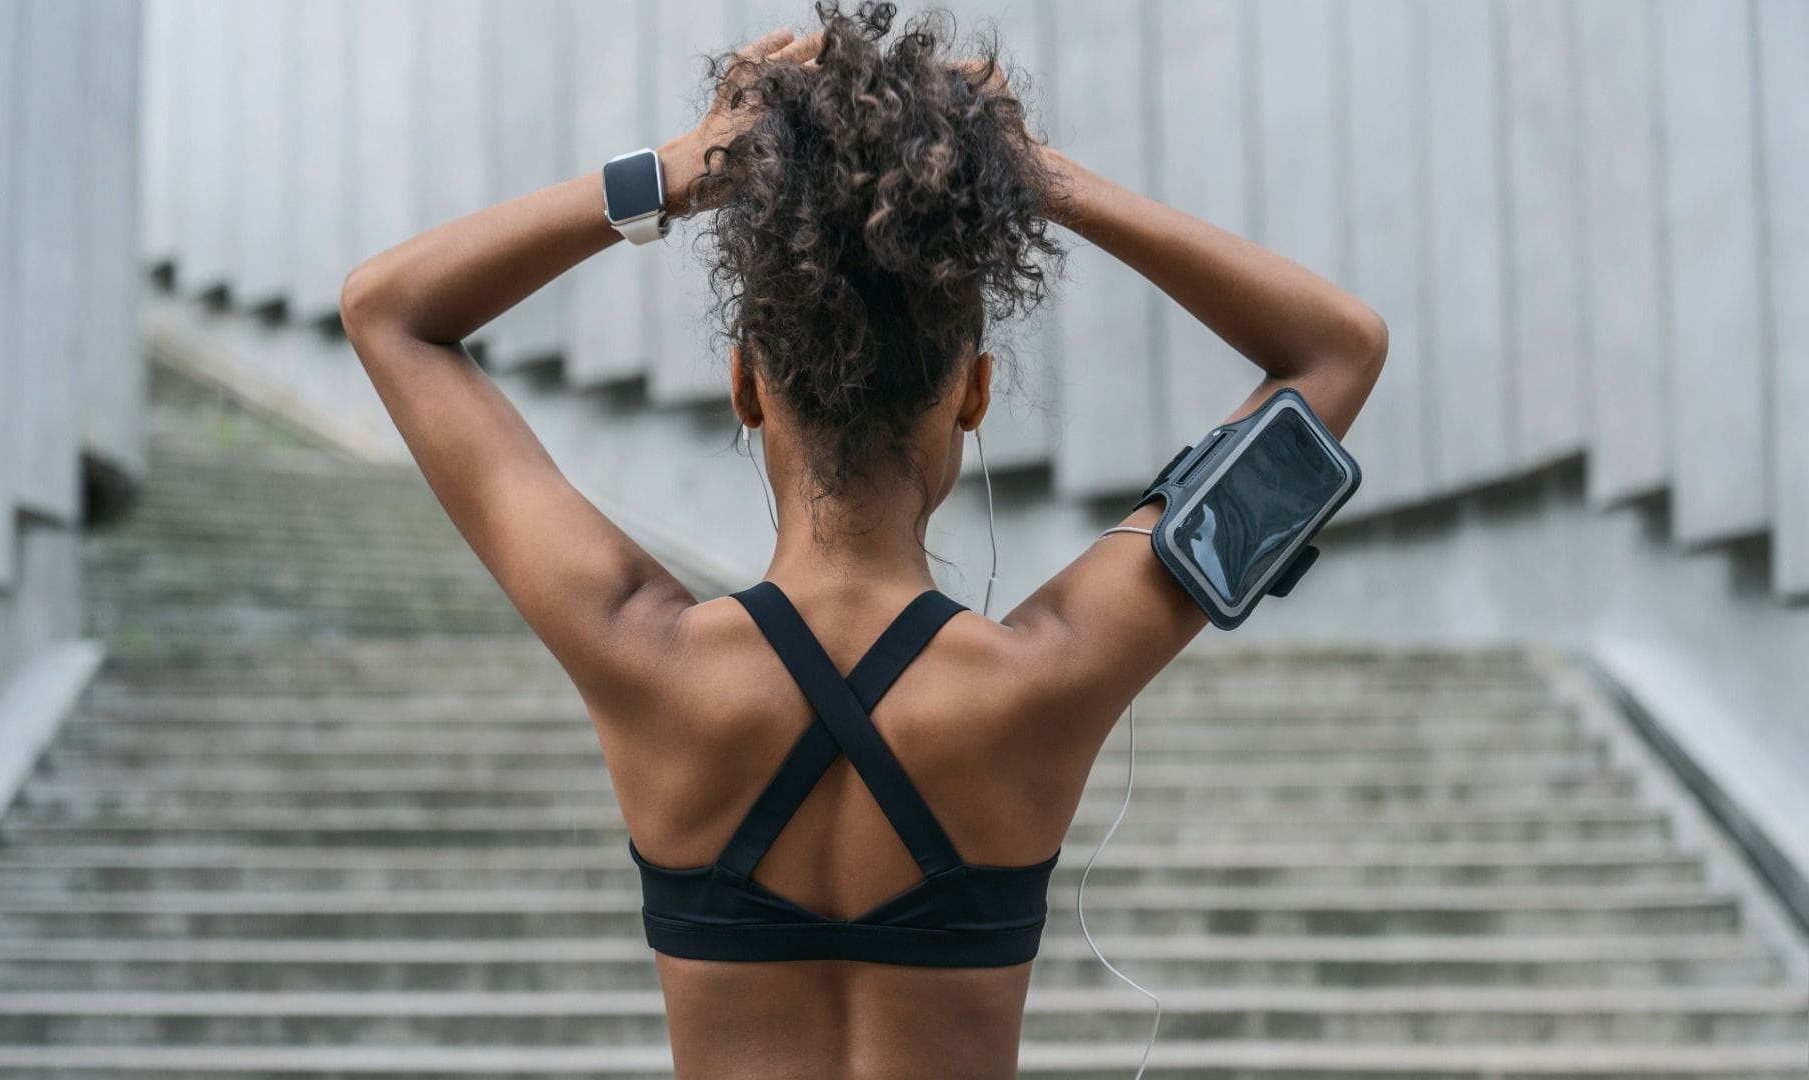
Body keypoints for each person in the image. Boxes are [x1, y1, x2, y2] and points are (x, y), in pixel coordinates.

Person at [338, 3, 1385, 1077]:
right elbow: (1337, 350)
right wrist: (1039, 180)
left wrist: (683, 167)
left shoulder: (640, 654)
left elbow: (389, 311)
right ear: (974, 395)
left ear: (745, 387)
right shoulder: (1048, 676)